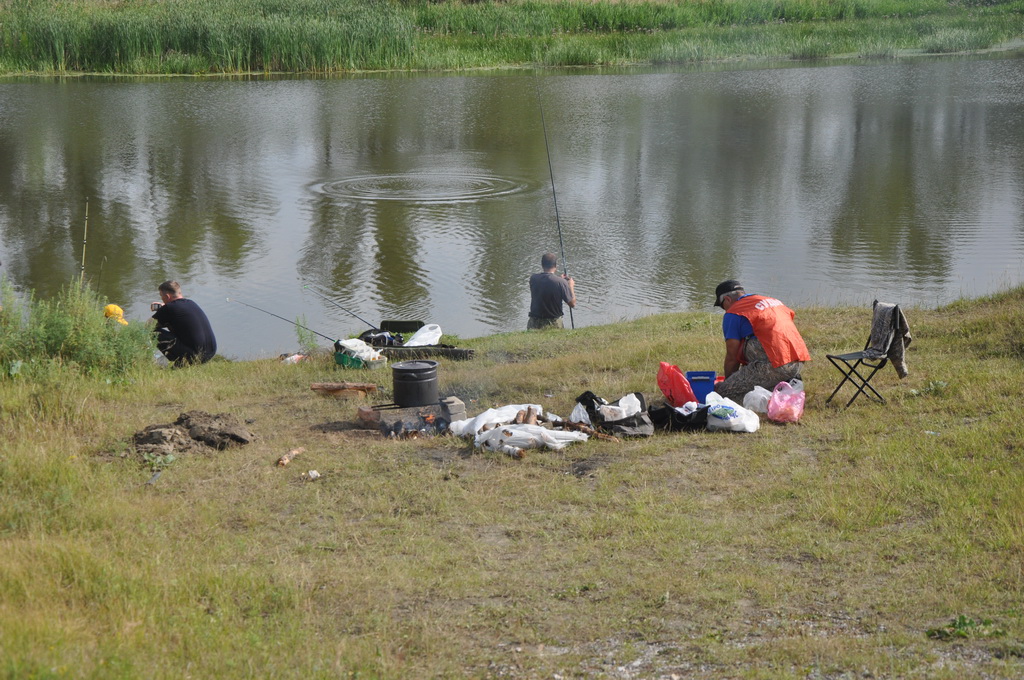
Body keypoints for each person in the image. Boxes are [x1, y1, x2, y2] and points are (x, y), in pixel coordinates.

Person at [712, 279, 810, 402]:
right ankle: (784, 383)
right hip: (798, 362)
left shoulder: (734, 312)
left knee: (723, 392)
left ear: (727, 299)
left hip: (776, 365)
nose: (724, 310)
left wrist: (728, 382)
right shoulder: (773, 301)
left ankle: (774, 385)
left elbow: (732, 356)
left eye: (722, 306)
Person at [150, 280, 217, 366]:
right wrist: (164, 308)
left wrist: (162, 310)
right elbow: (176, 310)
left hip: (195, 356)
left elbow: (148, 326)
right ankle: (182, 362)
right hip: (210, 353)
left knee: (152, 332)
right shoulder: (191, 303)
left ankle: (162, 364)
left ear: (167, 296)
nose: (161, 298)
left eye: (161, 296)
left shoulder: (168, 308)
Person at [527, 253, 576, 330]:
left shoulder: (533, 279)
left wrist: (560, 280)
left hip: (534, 322)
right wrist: (570, 286)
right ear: (555, 266)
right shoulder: (561, 282)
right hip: (553, 323)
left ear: (542, 265)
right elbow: (572, 304)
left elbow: (547, 283)